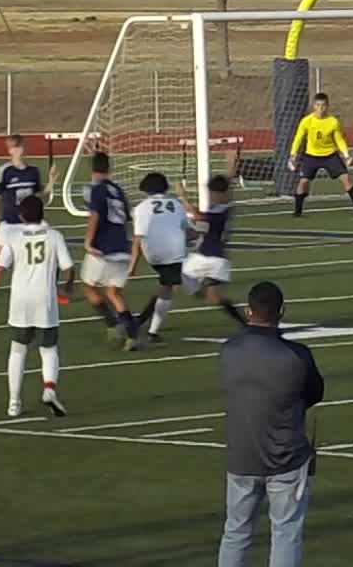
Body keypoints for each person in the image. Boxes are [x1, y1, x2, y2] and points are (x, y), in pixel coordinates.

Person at [218, 281, 324, 567]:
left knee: (236, 532)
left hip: (242, 456)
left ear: (248, 310)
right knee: (286, 532)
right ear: (282, 312)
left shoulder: (229, 350)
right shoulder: (297, 355)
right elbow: (315, 394)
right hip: (286, 457)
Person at [0, 196, 74, 418]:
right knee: (48, 348)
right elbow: (69, 267)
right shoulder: (54, 236)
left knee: (18, 349)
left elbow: (0, 268)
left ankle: (14, 401)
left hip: (20, 300)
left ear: (22, 215)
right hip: (45, 299)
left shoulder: (13, 236)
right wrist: (68, 287)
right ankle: (49, 388)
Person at [0, 134, 57, 310]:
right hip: (9, 223)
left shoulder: (33, 171)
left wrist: (51, 181)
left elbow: (41, 195)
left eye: (20, 147)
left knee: (50, 251)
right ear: (9, 151)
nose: (18, 151)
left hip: (29, 223)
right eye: (14, 148)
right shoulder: (4, 171)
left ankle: (52, 292)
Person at [82, 151, 139, 350]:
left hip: (103, 248)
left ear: (93, 169)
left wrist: (88, 242)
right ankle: (132, 333)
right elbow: (128, 219)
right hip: (121, 247)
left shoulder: (97, 190)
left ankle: (113, 324)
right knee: (114, 293)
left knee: (89, 287)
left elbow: (95, 216)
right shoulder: (119, 191)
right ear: (109, 168)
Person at [129, 172, 190, 344]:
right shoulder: (177, 205)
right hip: (173, 253)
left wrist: (132, 264)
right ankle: (149, 329)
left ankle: (142, 322)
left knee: (168, 285)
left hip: (153, 254)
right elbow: (186, 229)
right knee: (169, 288)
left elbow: (137, 238)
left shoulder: (141, 207)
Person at [288, 92, 353, 217]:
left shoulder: (333, 122)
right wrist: (293, 155)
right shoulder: (306, 121)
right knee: (303, 182)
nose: (320, 108)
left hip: (330, 155)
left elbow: (339, 140)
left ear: (328, 106)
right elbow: (298, 138)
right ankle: (297, 211)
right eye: (318, 105)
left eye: (323, 105)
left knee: (346, 178)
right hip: (311, 156)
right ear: (314, 106)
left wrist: (346, 155)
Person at [177, 175, 234, 306]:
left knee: (177, 273)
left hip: (209, 257)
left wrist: (182, 196)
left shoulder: (219, 209)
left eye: (211, 192)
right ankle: (244, 320)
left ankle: (199, 289)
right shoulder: (225, 207)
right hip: (217, 257)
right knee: (215, 298)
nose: (210, 195)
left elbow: (198, 216)